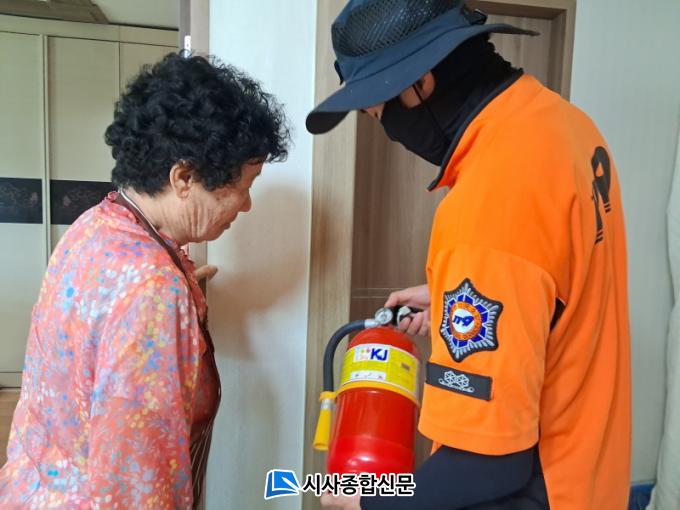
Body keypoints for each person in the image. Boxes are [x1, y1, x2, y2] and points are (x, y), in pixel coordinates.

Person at [307, 1, 631, 509]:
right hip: (591, 478)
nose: (388, 131)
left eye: (377, 114)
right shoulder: (564, 126)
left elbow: (486, 464)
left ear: (418, 86)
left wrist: (367, 501)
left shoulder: (486, 207)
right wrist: (463, 292)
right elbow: (556, 283)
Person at [0, 53, 289, 509]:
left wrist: (180, 285)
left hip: (34, 485)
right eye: (244, 185)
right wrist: (164, 298)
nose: (246, 204)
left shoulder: (96, 225)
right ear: (184, 177)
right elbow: (135, 479)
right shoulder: (153, 289)